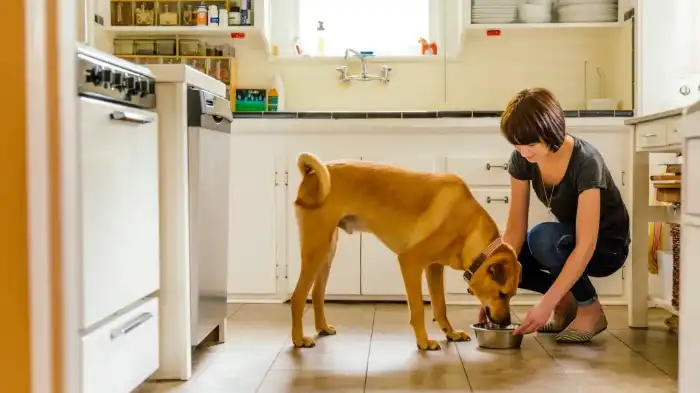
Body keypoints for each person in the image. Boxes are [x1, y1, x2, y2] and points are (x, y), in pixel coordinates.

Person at [483, 87, 630, 343]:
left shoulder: (586, 161)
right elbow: (515, 230)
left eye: (530, 144)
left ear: (551, 133)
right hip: (566, 240)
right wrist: (493, 289)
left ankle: (589, 309)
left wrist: (544, 304)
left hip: (606, 248)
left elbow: (587, 244)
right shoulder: (521, 159)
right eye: (517, 145)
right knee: (509, 258)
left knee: (542, 237)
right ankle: (565, 301)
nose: (524, 152)